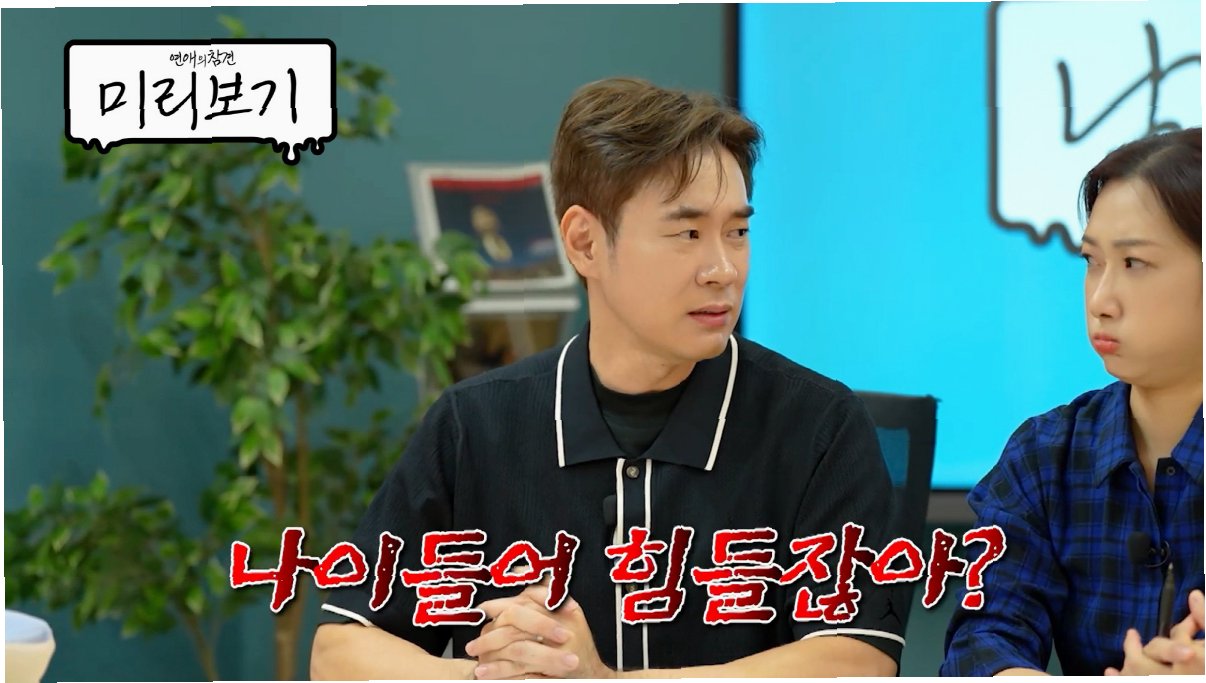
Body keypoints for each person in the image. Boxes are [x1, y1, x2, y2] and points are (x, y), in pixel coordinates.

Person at [311, 77, 903, 679]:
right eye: (688, 233)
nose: (724, 269)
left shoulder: (818, 427)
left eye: (738, 232)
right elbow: (340, 653)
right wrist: (501, 675)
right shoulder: (475, 426)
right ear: (585, 242)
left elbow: (857, 659)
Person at [941, 126, 1204, 676]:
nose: (1101, 299)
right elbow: (983, 641)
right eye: (1091, 261)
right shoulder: (1047, 456)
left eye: (1134, 263)